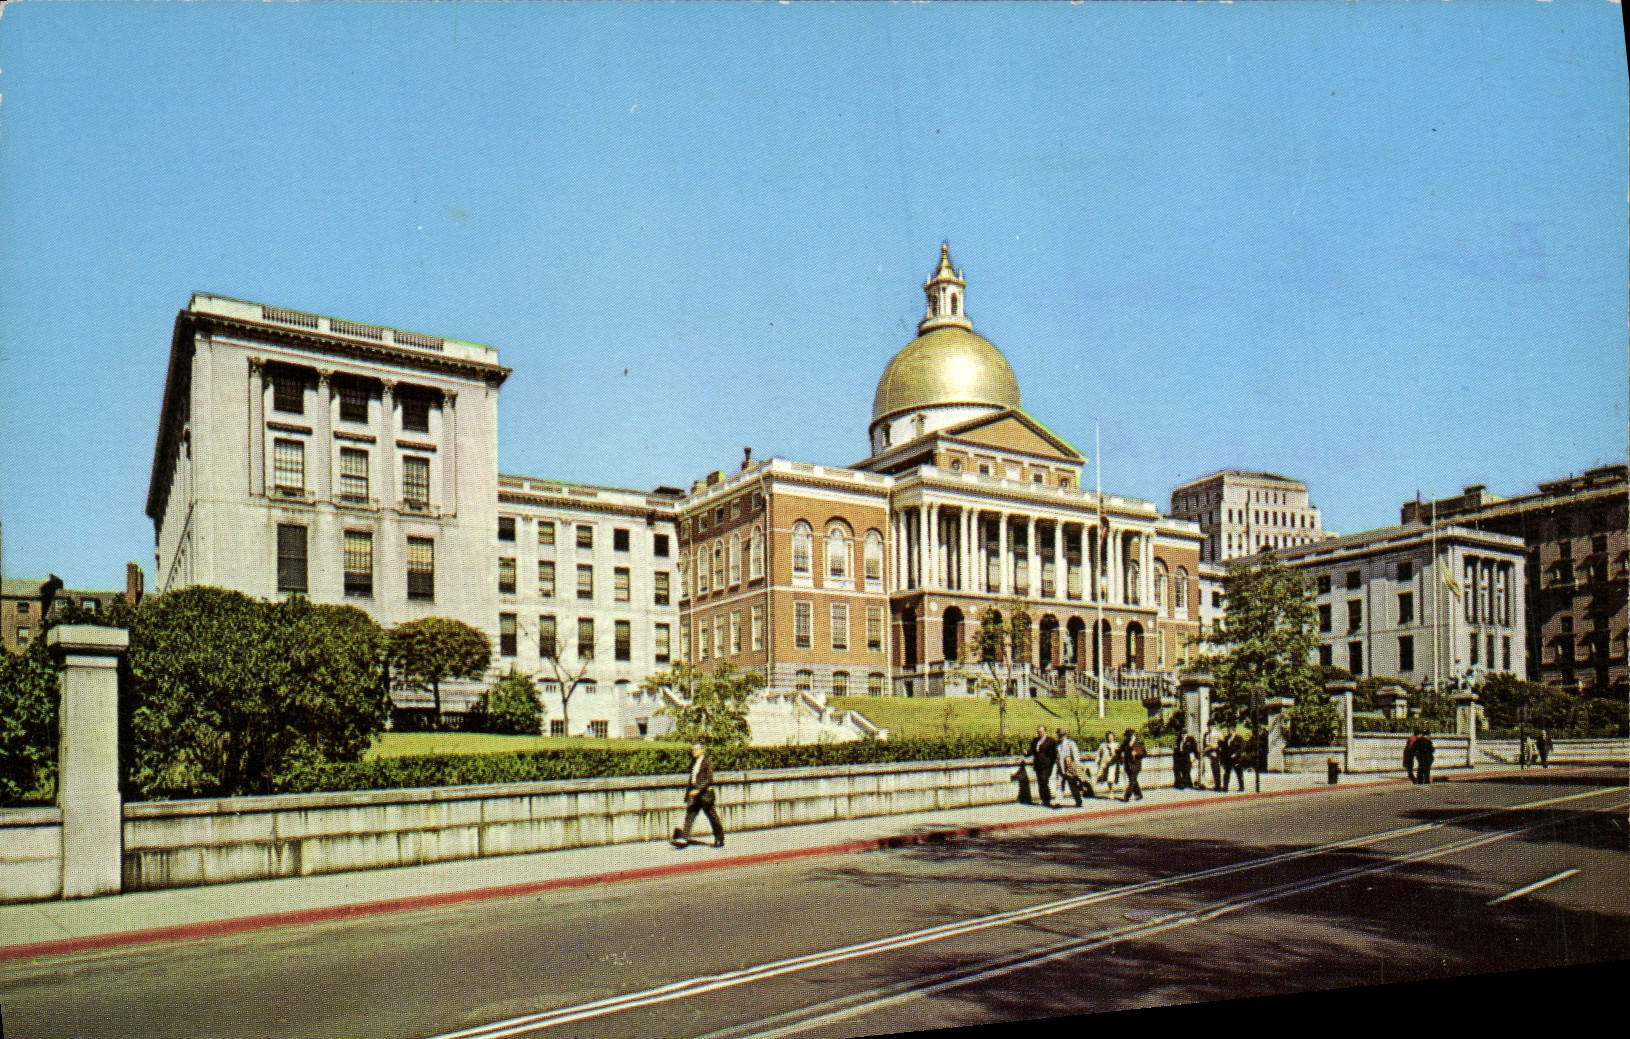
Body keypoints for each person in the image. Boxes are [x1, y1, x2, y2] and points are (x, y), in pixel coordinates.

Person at [672, 743, 725, 848]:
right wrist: (688, 795)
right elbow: (692, 780)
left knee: (712, 817)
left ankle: (719, 839)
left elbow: (709, 779)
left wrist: (698, 790)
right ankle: (684, 838)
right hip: (695, 795)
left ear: (702, 750)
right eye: (693, 750)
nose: (694, 752)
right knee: (690, 816)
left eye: (696, 750)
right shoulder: (694, 763)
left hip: (705, 795)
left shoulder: (706, 762)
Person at [1054, 727, 1090, 805]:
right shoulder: (1057, 745)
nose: (1060, 737)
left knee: (1072, 785)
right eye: (1059, 735)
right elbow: (1057, 757)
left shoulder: (1071, 743)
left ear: (1065, 735)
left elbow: (1076, 756)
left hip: (1070, 768)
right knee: (1059, 784)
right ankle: (1059, 801)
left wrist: (1076, 766)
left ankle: (1078, 800)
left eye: (1062, 735)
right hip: (1061, 768)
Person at [1028, 725, 1059, 807]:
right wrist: (1026, 753)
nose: (1039, 733)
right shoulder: (1035, 740)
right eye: (1038, 732)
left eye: (1040, 732)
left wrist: (1050, 764)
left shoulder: (1050, 741)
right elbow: (1032, 750)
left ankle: (1047, 799)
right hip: (1038, 765)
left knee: (1044, 781)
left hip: (1046, 766)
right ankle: (1044, 799)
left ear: (1045, 731)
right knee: (1040, 782)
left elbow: (1054, 754)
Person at [1119, 729, 1146, 802]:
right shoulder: (1126, 742)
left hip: (1135, 764)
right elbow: (1121, 749)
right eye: (1128, 736)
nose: (1129, 737)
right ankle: (1139, 795)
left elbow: (1144, 753)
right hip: (1128, 764)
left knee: (1132, 781)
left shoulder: (1138, 741)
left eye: (1130, 736)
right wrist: (1120, 752)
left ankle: (1127, 796)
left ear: (1133, 735)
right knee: (1134, 780)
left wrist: (1137, 753)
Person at [1095, 730, 1121, 795]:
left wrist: (1112, 749)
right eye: (1109, 737)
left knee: (1110, 778)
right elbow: (1099, 753)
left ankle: (1111, 791)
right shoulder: (1103, 745)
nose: (1110, 738)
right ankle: (1110, 790)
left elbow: (1118, 755)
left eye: (1111, 737)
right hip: (1104, 763)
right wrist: (1097, 760)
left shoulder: (1116, 745)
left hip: (1112, 763)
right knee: (1104, 777)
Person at [1202, 723, 1222, 791]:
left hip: (1215, 753)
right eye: (1209, 726)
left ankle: (1217, 785)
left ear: (1214, 726)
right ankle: (1208, 784)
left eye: (1212, 726)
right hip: (1208, 753)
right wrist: (1206, 748)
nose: (1210, 727)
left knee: (1216, 769)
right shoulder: (1206, 734)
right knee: (1207, 769)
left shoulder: (1217, 733)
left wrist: (1215, 749)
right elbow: (1204, 744)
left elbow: (1220, 743)